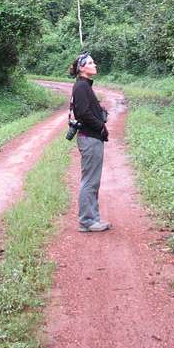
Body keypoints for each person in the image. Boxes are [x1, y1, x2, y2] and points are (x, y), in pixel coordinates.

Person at [69, 52, 111, 233]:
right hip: (89, 137)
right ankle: (87, 220)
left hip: (92, 137)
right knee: (90, 181)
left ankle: (93, 219)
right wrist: (100, 126)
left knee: (93, 180)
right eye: (91, 63)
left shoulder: (85, 86)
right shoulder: (81, 87)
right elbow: (83, 114)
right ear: (82, 68)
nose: (95, 65)